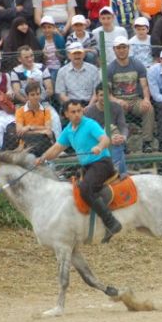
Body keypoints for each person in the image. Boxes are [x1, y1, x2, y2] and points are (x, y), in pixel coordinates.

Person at [36, 99, 123, 243]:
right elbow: (57, 148)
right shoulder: (68, 130)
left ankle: (111, 222)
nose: (77, 114)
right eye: (73, 112)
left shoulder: (90, 124)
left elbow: (105, 139)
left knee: (85, 188)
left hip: (101, 163)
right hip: (88, 166)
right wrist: (43, 157)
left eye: (79, 111)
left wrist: (99, 147)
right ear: (66, 114)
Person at [108, 36, 155, 153]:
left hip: (135, 99)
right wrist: (118, 101)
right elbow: (107, 94)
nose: (121, 50)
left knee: (148, 109)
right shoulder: (110, 68)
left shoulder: (137, 64)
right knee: (114, 111)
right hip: (118, 100)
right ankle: (121, 144)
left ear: (128, 48)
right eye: (118, 48)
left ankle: (147, 142)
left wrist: (146, 99)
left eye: (124, 47)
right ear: (114, 49)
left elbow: (144, 86)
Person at [10, 45, 62, 137]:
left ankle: (57, 146)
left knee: (55, 119)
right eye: (26, 57)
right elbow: (17, 93)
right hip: (24, 104)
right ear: (19, 59)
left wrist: (37, 99)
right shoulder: (15, 71)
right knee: (19, 125)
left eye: (31, 56)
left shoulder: (42, 68)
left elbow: (50, 89)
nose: (30, 59)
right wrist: (30, 101)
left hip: (42, 102)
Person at [85, 83, 129, 174]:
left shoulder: (117, 107)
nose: (104, 97)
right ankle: (119, 173)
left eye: (107, 95)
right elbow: (88, 135)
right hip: (97, 143)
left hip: (115, 139)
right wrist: (107, 140)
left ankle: (117, 172)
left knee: (117, 143)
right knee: (115, 147)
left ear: (110, 95)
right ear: (96, 96)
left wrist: (123, 137)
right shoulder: (89, 112)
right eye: (101, 95)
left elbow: (123, 126)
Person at [12, 81, 53, 156]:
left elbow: (48, 130)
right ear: (27, 96)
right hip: (26, 144)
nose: (36, 97)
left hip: (42, 143)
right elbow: (19, 131)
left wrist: (29, 127)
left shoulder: (46, 111)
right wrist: (42, 132)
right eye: (32, 95)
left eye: (38, 94)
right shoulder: (20, 111)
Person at [38, 16, 66, 83]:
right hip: (45, 67)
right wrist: (43, 56)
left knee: (52, 79)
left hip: (57, 66)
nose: (47, 30)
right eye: (44, 28)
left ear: (53, 27)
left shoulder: (59, 39)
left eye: (49, 27)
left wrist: (58, 54)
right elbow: (41, 58)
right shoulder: (41, 40)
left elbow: (64, 56)